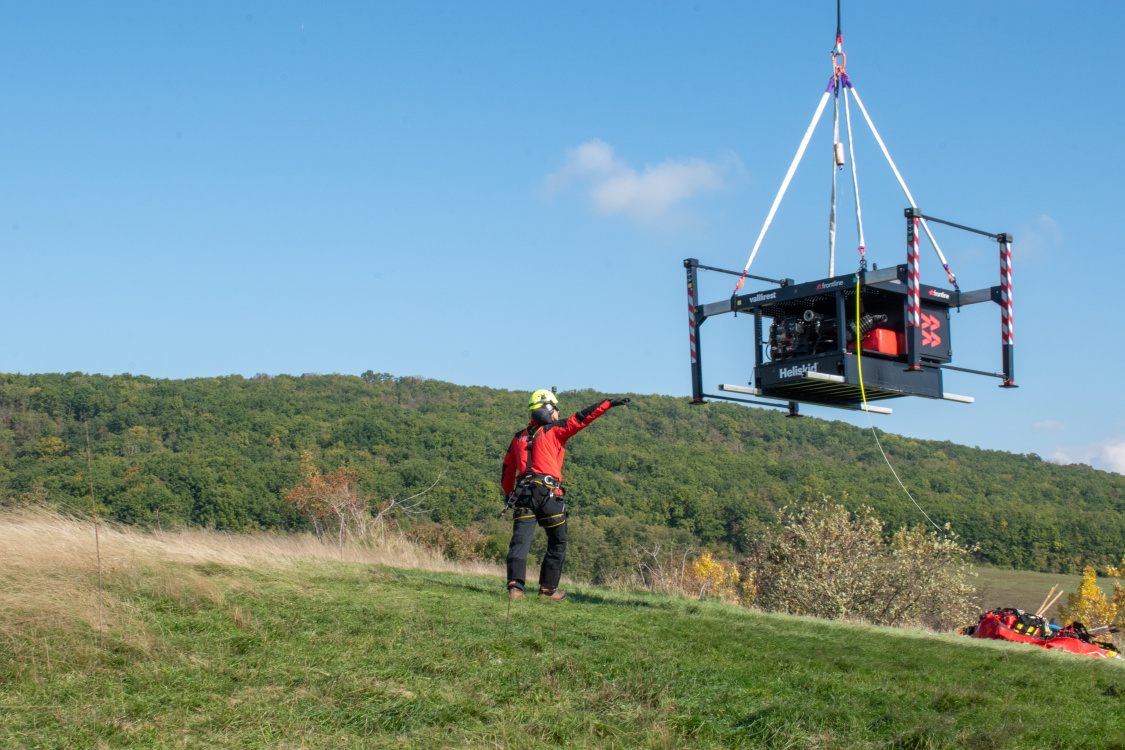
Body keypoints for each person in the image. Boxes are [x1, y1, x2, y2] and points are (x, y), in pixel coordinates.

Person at [501, 389, 629, 601]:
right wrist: (607, 403)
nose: (559, 413)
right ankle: (548, 590)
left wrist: (508, 495)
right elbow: (581, 418)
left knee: (519, 542)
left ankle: (515, 588)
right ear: (548, 409)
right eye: (557, 409)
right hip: (548, 494)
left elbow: (507, 470)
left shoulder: (518, 438)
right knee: (557, 541)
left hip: (523, 494)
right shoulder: (555, 430)